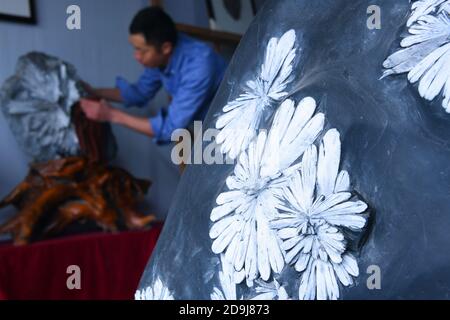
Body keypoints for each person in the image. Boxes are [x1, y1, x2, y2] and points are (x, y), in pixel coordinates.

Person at [80, 6, 227, 144]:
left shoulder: (199, 66)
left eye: (141, 50)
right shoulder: (160, 59)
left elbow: (170, 129)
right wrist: (92, 91)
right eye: (134, 48)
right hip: (208, 128)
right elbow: (139, 93)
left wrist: (112, 115)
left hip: (232, 128)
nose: (136, 56)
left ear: (166, 48)